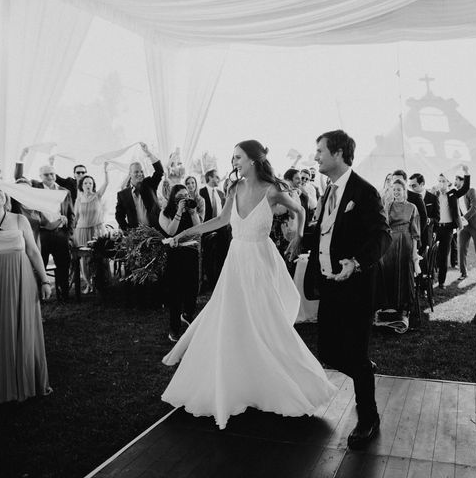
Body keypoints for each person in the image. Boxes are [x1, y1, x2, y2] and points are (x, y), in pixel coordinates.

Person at [161, 140, 335, 429]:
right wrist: (185, 233)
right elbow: (218, 220)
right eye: (233, 157)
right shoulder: (234, 189)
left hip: (260, 262)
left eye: (238, 157)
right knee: (231, 321)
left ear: (253, 160)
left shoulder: (273, 191)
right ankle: (236, 385)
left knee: (265, 322)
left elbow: (300, 211)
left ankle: (278, 382)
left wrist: (298, 236)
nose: (234, 162)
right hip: (236, 262)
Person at [304, 130, 392, 450]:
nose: (315, 157)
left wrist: (356, 262)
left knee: (354, 354)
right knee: (328, 352)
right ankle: (363, 368)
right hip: (330, 286)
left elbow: (382, 236)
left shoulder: (364, 192)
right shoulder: (327, 191)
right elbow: (324, 233)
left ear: (339, 153)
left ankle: (368, 418)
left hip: (355, 288)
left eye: (320, 151)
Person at [0, 185, 52, 405]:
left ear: (6, 198)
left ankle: (21, 378)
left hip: (21, 279)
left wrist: (44, 280)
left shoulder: (18, 220)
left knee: (20, 326)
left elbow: (33, 251)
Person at [14, 162, 75, 301]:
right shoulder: (35, 188)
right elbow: (19, 179)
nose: (50, 176)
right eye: (46, 174)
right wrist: (22, 159)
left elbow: (71, 214)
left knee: (63, 264)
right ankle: (40, 295)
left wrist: (69, 233)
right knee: (40, 263)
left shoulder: (64, 191)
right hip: (42, 233)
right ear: (40, 176)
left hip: (61, 233)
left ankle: (64, 294)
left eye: (52, 173)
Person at [159, 184, 202, 342]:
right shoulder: (166, 212)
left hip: (191, 252)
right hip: (175, 254)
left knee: (192, 289)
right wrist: (178, 211)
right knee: (176, 292)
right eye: (180, 196)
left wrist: (192, 212)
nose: (185, 198)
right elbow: (170, 231)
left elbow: (198, 229)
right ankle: (174, 327)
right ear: (173, 198)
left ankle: (188, 315)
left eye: (186, 195)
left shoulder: (191, 210)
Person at [376, 178, 420, 324]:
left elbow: (415, 233)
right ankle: (389, 306)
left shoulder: (412, 207)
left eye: (399, 190)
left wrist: (414, 253)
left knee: (404, 272)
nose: (396, 192)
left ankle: (404, 306)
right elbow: (383, 225)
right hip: (390, 243)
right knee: (388, 271)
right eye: (394, 189)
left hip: (406, 241)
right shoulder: (388, 205)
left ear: (404, 191)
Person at [73, 162, 110, 293]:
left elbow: (106, 184)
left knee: (100, 257)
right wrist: (73, 233)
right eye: (85, 183)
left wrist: (105, 171)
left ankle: (102, 282)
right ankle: (88, 283)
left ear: (93, 185)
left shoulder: (97, 196)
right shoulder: (78, 199)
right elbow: (76, 217)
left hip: (97, 230)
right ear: (81, 186)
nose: (88, 185)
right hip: (82, 230)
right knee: (85, 258)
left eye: (90, 183)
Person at [434, 167, 470, 289]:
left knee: (444, 255)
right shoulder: (434, 193)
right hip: (435, 228)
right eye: (439, 181)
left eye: (443, 181)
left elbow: (465, 188)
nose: (441, 183)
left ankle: (441, 282)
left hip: (448, 229)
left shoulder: (453, 193)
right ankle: (429, 279)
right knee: (432, 255)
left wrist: (466, 173)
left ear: (448, 182)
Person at [115, 143, 164, 231]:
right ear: (130, 174)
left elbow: (159, 171)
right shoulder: (122, 194)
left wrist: (148, 153)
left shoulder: (150, 184)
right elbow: (119, 216)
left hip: (157, 232)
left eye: (141, 171)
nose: (140, 174)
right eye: (136, 172)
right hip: (137, 236)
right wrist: (127, 231)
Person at [199, 169, 230, 288]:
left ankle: (219, 280)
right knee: (208, 256)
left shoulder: (220, 193)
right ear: (210, 178)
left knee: (221, 255)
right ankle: (210, 281)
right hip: (208, 229)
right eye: (216, 177)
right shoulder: (201, 192)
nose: (218, 179)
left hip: (221, 229)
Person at [456, 173, 476, 283]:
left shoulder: (471, 190)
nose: (455, 182)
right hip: (464, 226)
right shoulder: (457, 193)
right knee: (462, 248)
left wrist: (464, 219)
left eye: (456, 179)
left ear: (461, 180)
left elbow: (474, 207)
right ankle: (463, 273)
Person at [391, 170, 427, 250]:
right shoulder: (390, 200)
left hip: (409, 239)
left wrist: (414, 236)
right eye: (394, 180)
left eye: (399, 180)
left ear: (405, 181)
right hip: (393, 241)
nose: (397, 182)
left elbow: (423, 219)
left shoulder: (416, 197)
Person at [409, 172, 438, 251]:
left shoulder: (433, 198)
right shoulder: (408, 199)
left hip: (427, 236)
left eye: (414, 185)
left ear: (422, 184)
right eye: (410, 186)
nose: (411, 188)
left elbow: (437, 218)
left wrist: (430, 220)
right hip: (413, 236)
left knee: (425, 261)